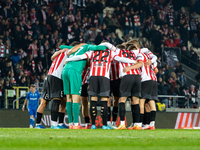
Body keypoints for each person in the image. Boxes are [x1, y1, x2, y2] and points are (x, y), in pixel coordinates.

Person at [65, 42, 137, 129]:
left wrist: (69, 59)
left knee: (93, 100)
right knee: (104, 100)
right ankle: (104, 125)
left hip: (93, 77)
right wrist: (133, 61)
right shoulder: (109, 52)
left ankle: (93, 125)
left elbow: (81, 56)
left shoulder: (92, 52)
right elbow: (120, 58)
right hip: (104, 77)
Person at [35, 41, 83, 129]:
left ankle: (38, 124)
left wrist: (60, 51)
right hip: (56, 77)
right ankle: (54, 125)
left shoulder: (61, 52)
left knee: (48, 102)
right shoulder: (70, 54)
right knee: (56, 100)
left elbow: (52, 57)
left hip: (48, 77)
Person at [62, 44, 109, 129]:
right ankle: (76, 124)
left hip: (65, 69)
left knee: (68, 98)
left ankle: (71, 124)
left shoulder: (76, 49)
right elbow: (99, 47)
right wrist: (108, 46)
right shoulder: (87, 47)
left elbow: (63, 47)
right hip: (74, 71)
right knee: (76, 99)